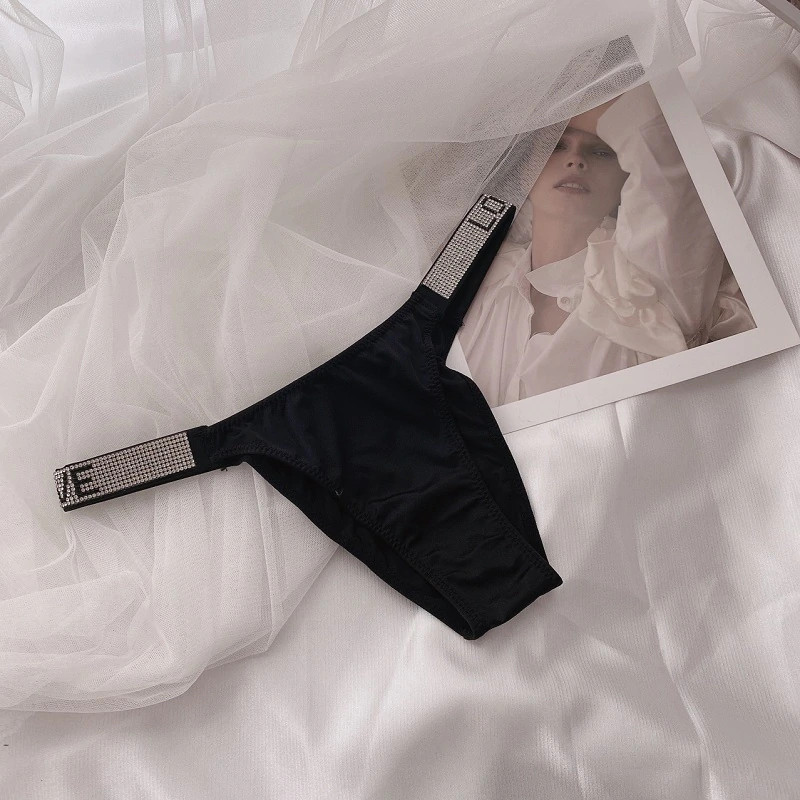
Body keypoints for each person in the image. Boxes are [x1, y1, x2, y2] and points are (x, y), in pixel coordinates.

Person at [459, 82, 756, 408]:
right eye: (557, 146)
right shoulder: (475, 281)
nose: (575, 160)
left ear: (627, 177)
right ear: (525, 171)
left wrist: (586, 85)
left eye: (601, 151)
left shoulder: (649, 284)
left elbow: (663, 156)